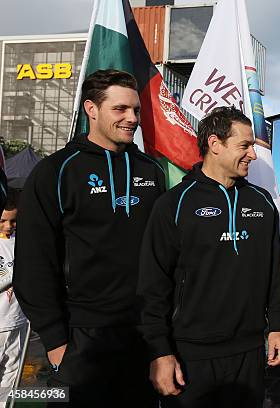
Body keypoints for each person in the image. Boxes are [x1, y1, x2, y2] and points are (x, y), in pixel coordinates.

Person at [13, 69, 166, 407]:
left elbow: (163, 257)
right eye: (120, 109)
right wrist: (56, 343)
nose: (132, 118)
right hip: (81, 338)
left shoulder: (151, 170)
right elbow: (33, 264)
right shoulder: (56, 171)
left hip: (142, 336)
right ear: (91, 109)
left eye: (136, 110)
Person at [138, 106, 280, 408]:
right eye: (244, 146)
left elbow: (274, 273)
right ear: (215, 144)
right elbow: (152, 287)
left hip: (248, 352)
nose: (253, 155)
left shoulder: (262, 203)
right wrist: (160, 351)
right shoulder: (173, 204)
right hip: (191, 353)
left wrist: (277, 327)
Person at [0, 189, 28, 407]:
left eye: (14, 221)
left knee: (13, 376)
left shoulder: (23, 241)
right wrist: (14, 276)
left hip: (18, 322)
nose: (8, 227)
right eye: (2, 221)